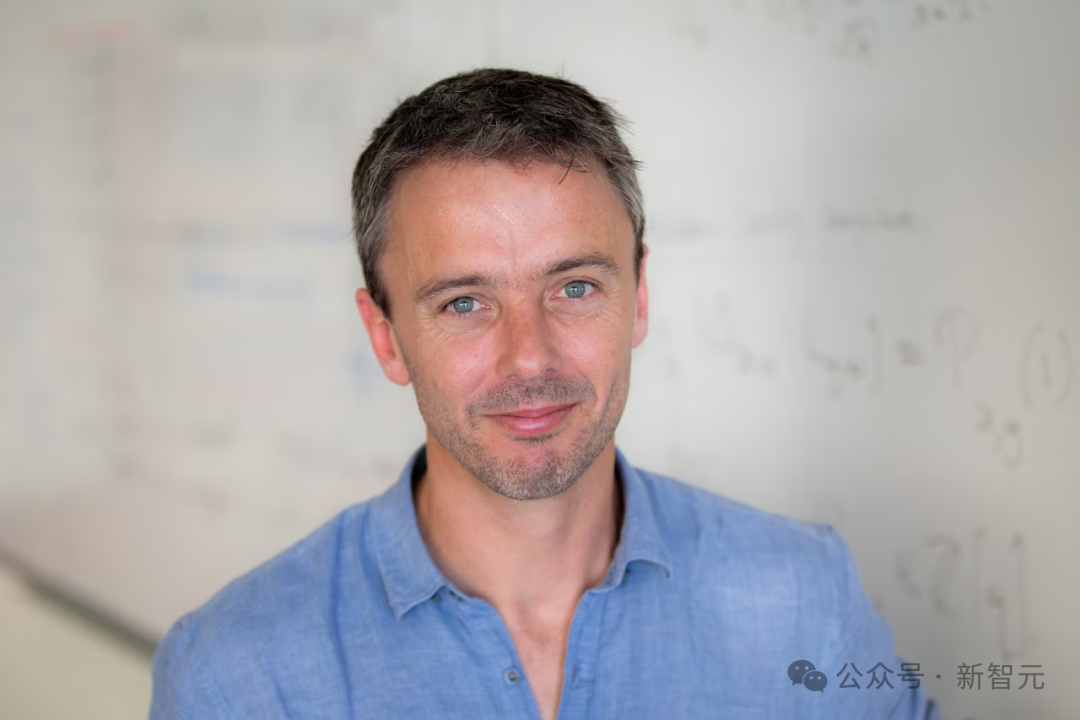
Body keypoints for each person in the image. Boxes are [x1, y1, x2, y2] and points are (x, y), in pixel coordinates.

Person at [150, 68, 940, 719]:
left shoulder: (806, 599)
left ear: (638, 298)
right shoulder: (237, 676)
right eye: (464, 302)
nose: (528, 356)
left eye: (574, 287)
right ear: (386, 337)